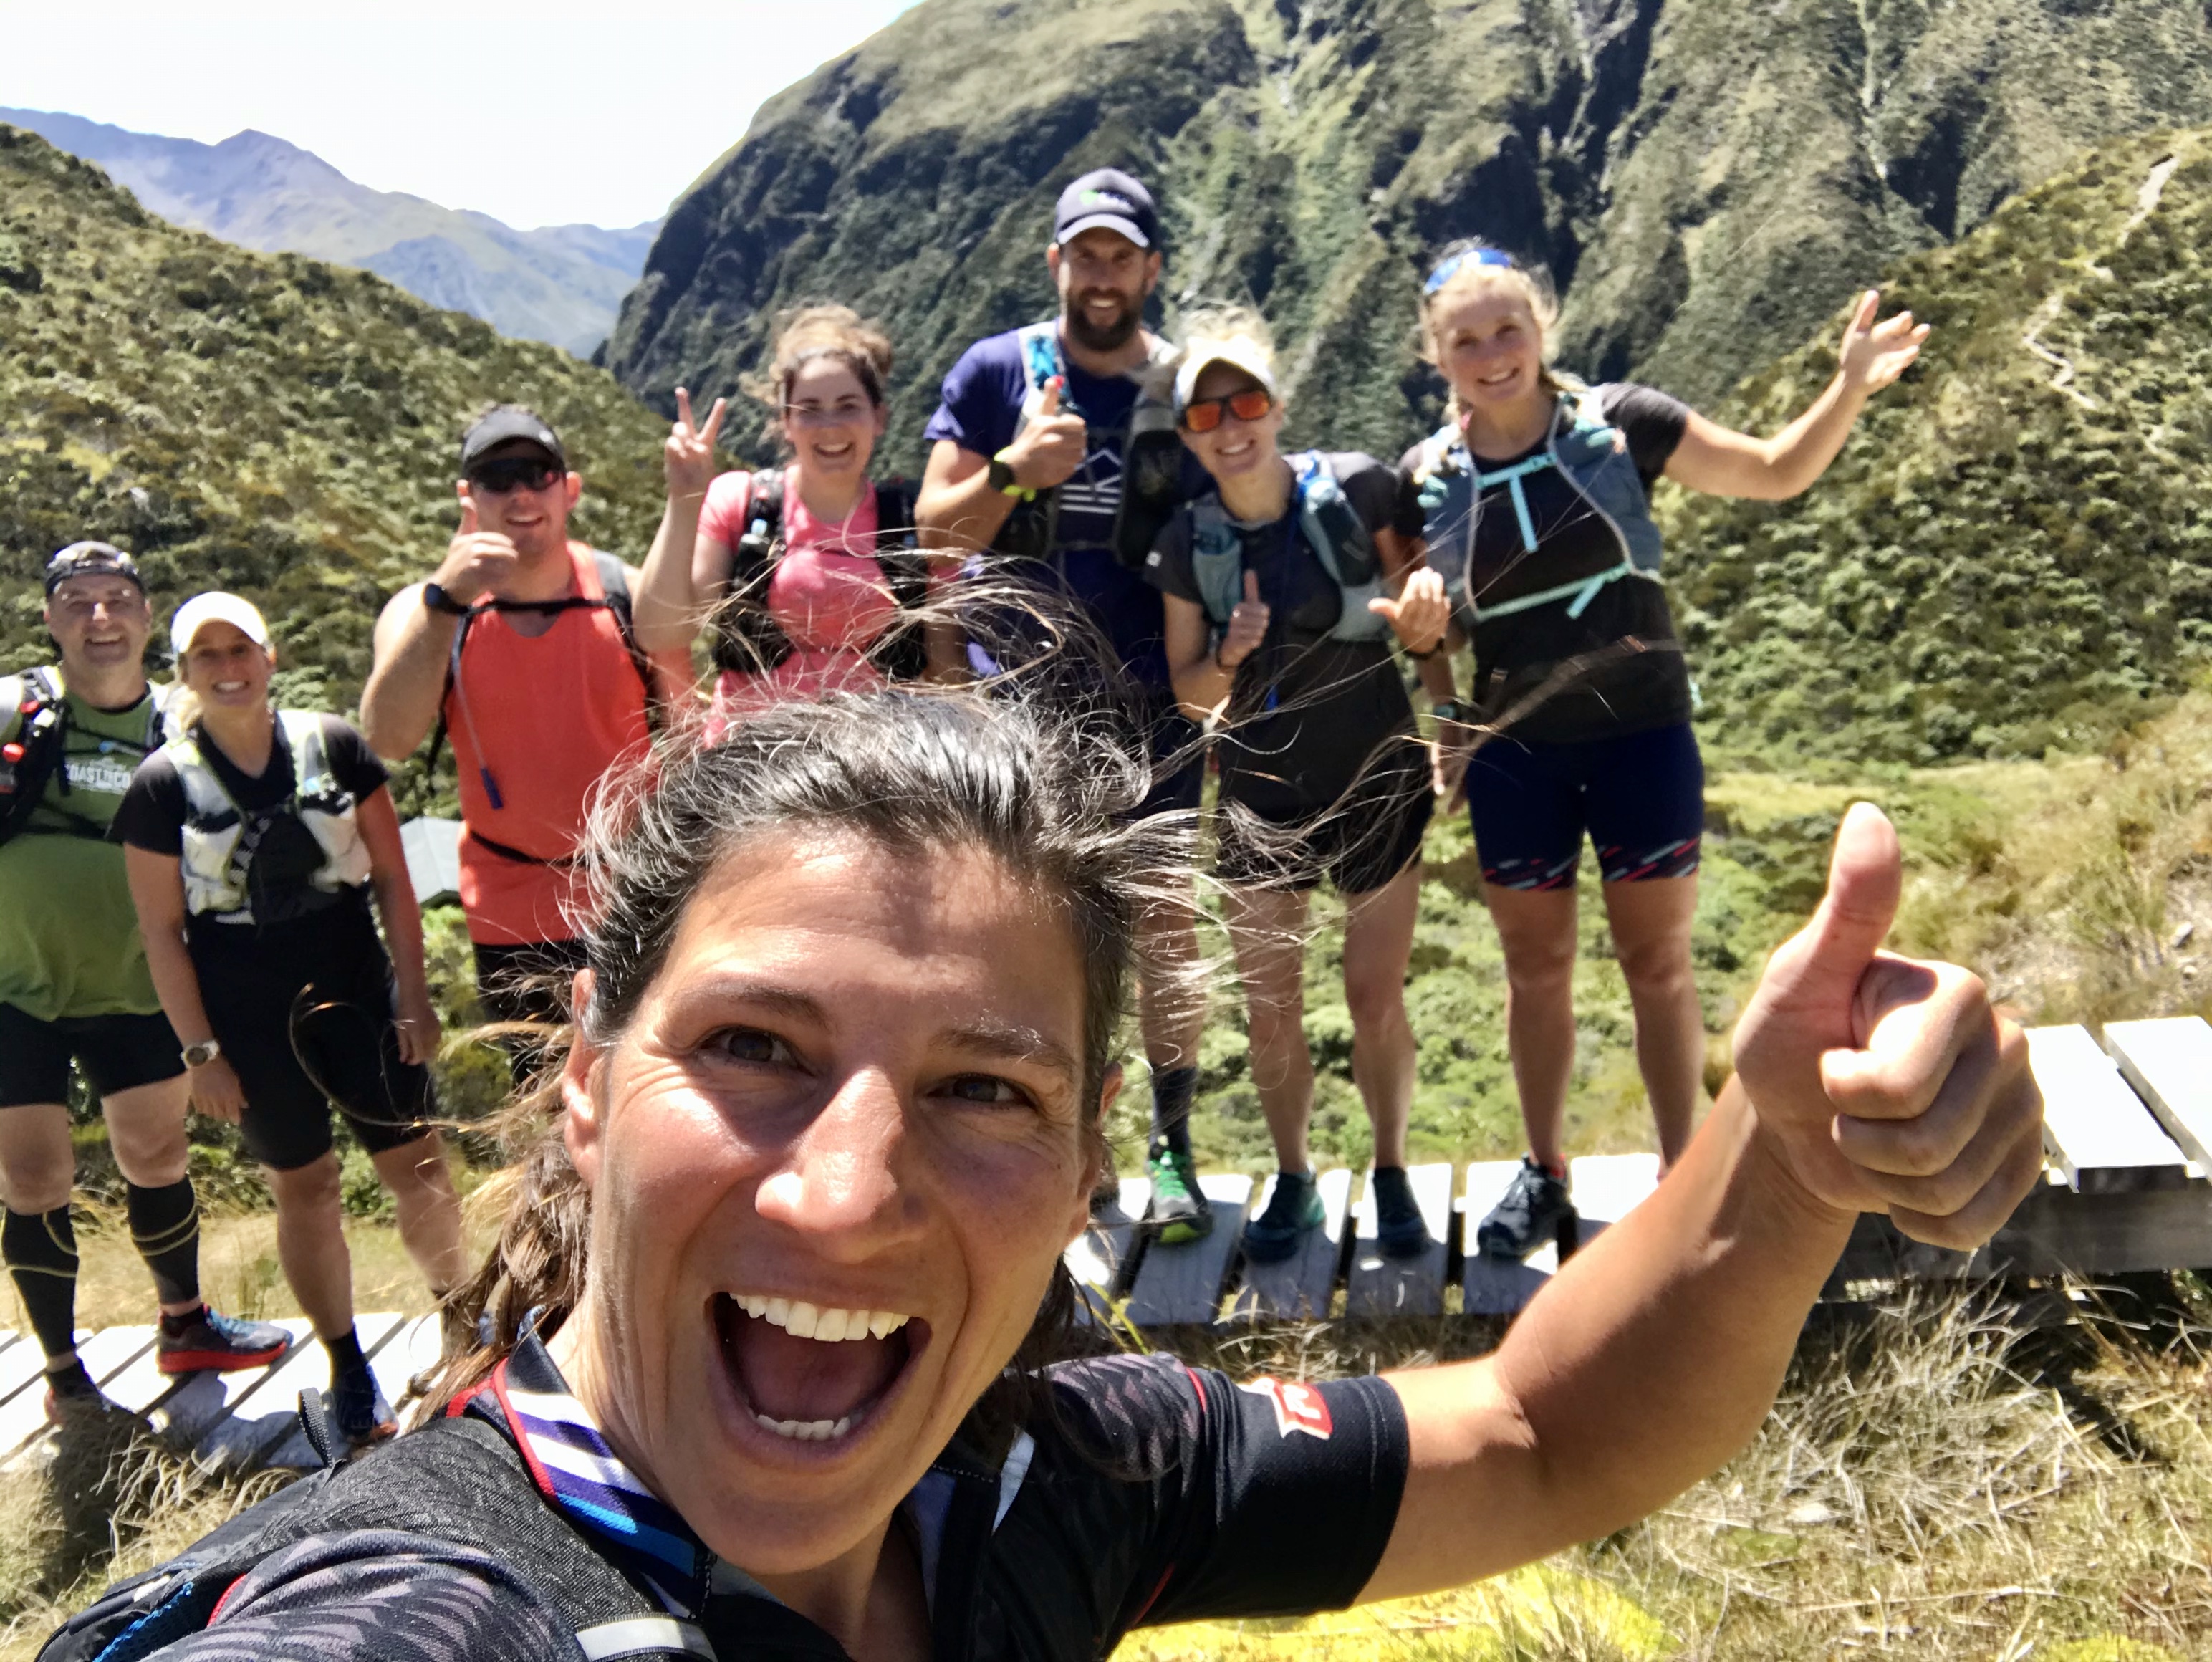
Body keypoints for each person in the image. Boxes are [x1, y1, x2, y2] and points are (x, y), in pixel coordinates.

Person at [47, 688, 2042, 1662]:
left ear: (1092, 1160)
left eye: (983, 1088)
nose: (846, 1193)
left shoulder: (1042, 1480)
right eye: (755, 1049)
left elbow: (1540, 1432)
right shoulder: (429, 1605)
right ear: (583, 1080)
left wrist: (1789, 1160)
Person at [1403, 243, 1930, 1259]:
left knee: (1657, 965)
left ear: (1542, 329)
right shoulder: (1427, 481)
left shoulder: (1622, 426)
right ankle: (1545, 1168)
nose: (1492, 353)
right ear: (1437, 357)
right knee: (1535, 970)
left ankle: (1682, 1170)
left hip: (1642, 739)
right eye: (1465, 341)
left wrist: (1848, 386)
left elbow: (1774, 472)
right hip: (1518, 758)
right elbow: (1440, 630)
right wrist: (1441, 700)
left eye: (1508, 328)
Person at [916, 168, 1213, 1240]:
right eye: (1084, 255)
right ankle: (1055, 1154)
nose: (1101, 275)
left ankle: (1171, 1148)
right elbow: (936, 535)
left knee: (1165, 927)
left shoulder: (1185, 385)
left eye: (1119, 256)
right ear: (1056, 263)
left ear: (1151, 268)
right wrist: (1015, 470)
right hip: (1021, 710)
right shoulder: (998, 373)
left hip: (1155, 706)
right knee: (1028, 936)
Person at [118, 592, 466, 1448]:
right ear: (184, 673)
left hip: (353, 980)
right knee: (304, 1187)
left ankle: (466, 1327)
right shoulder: (162, 784)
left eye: (241, 648)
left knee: (417, 1164)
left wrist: (414, 995)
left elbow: (391, 877)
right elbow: (161, 930)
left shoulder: (333, 745)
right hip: (245, 1007)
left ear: (269, 657)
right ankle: (348, 1367)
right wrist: (200, 1052)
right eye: (207, 655)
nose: (228, 668)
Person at [1144, 313, 1453, 1264]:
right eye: (1207, 414)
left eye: (1246, 402)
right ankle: (1294, 1178)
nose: (1230, 426)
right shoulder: (1186, 540)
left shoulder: (1360, 489)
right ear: (1188, 435)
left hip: (1376, 777)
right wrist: (1229, 657)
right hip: (1257, 794)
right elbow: (1190, 695)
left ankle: (1391, 1170)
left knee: (1373, 999)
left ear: (1278, 406)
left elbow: (1425, 619)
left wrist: (1444, 691)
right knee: (1271, 1010)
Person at [0, 545, 288, 1418]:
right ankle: (63, 1376)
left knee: (157, 1154)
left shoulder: (183, 722)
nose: (100, 617)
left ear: (145, 615)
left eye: (117, 599)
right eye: (78, 601)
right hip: (14, 988)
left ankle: (185, 1324)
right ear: (49, 620)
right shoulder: (15, 709)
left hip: (140, 983)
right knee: (34, 1179)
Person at [358, 406, 688, 1078]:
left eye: (537, 474)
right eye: (497, 477)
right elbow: (388, 737)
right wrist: (447, 601)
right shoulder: (429, 612)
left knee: (647, 1088)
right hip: (511, 913)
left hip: (635, 890)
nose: (520, 494)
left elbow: (687, 734)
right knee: (542, 1102)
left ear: (569, 490)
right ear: (468, 497)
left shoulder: (626, 595)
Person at [635, 306, 932, 727]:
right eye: (809, 409)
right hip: (752, 757)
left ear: (878, 418)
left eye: (848, 406)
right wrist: (684, 499)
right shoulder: (742, 502)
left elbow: (944, 665)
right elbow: (661, 633)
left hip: (876, 758)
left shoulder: (910, 518)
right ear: (786, 423)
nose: (829, 426)